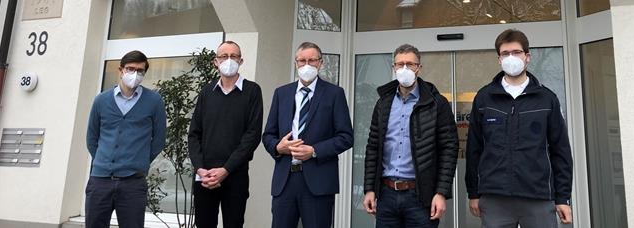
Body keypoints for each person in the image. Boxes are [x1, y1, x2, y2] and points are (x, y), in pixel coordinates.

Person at [465, 29, 573, 228]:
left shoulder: (547, 98)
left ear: (527, 57)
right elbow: (474, 149)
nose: (511, 57)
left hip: (538, 197)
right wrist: (473, 192)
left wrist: (563, 197)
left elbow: (561, 151)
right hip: (495, 198)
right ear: (499, 59)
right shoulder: (484, 98)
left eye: (516, 52)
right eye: (505, 53)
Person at [362, 44, 459, 227]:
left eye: (410, 64)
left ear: (419, 68)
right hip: (386, 195)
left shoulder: (436, 103)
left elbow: (449, 148)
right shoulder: (383, 103)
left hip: (421, 197)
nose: (404, 69)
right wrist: (369, 189)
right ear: (394, 68)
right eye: (400, 64)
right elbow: (373, 147)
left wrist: (441, 192)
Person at [262, 41, 354, 228]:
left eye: (312, 60)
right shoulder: (282, 93)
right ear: (295, 64)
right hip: (285, 181)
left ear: (320, 63)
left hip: (318, 182)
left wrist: (313, 151)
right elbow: (268, 135)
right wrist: (278, 147)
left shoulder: (334, 94)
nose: (306, 65)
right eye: (302, 61)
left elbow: (346, 137)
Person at [85, 50, 167, 228]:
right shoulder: (101, 100)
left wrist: (139, 161)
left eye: (140, 71)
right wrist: (103, 160)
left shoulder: (154, 101)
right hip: (100, 181)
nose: (135, 74)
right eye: (131, 69)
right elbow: (92, 137)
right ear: (120, 70)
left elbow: (159, 139)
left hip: (133, 183)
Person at [188, 40, 264, 228]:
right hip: (204, 177)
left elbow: (252, 135)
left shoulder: (252, 91)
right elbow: (194, 134)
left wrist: (226, 170)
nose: (228, 60)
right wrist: (200, 169)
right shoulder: (206, 92)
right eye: (224, 56)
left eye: (233, 56)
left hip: (235, 176)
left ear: (241, 60)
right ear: (216, 61)